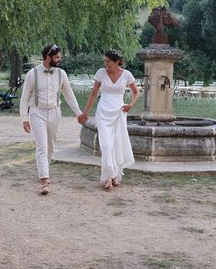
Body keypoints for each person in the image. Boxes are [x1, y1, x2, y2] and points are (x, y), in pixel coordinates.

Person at [20, 44, 83, 195]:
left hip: (55, 112)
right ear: (48, 57)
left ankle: (44, 170)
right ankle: (44, 180)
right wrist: (24, 118)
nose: (59, 59)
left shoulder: (61, 74)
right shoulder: (32, 74)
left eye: (59, 57)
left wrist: (78, 113)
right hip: (37, 113)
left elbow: (69, 95)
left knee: (50, 146)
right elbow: (24, 99)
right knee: (42, 146)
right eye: (57, 57)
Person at [78, 50, 140, 190]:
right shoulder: (100, 73)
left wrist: (131, 104)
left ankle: (115, 176)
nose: (106, 64)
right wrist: (86, 113)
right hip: (103, 113)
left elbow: (137, 92)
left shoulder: (126, 74)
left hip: (119, 112)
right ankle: (107, 177)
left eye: (108, 61)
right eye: (105, 61)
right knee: (106, 146)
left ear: (117, 61)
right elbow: (93, 94)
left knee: (116, 145)